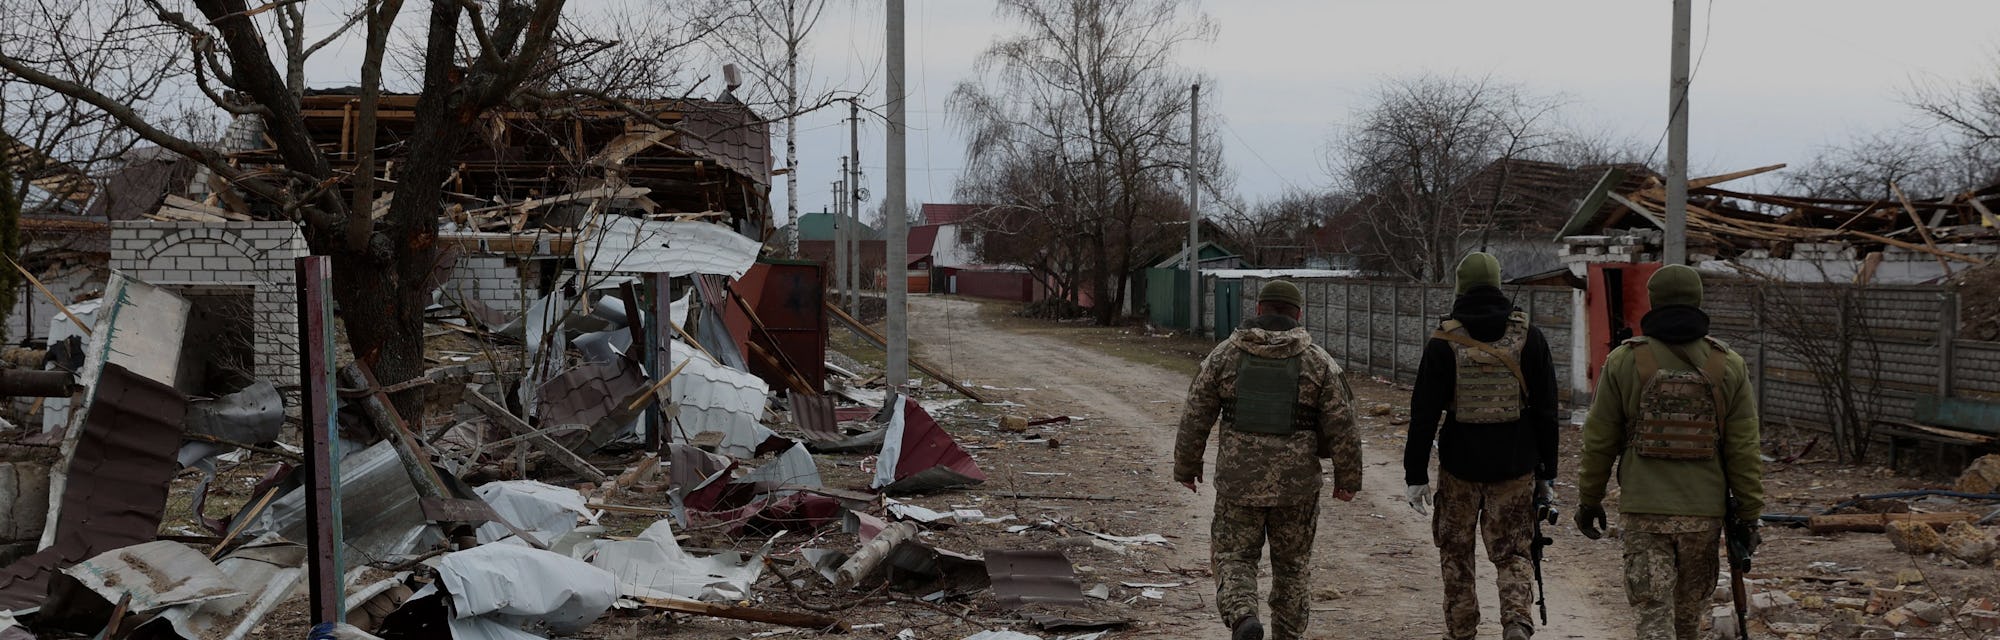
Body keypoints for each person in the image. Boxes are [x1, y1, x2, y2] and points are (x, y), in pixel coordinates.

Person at [1574, 265, 1764, 640]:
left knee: (1652, 617)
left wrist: (1589, 499)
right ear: (1698, 300)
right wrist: (1750, 513)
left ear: (1653, 300)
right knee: (1688, 619)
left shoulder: (1624, 361)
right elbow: (1743, 448)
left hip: (1644, 512)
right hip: (1703, 514)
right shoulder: (1729, 364)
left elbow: (1599, 441)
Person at [1174, 280, 1362, 640]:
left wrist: (1186, 466)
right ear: (1298, 314)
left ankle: (1244, 615)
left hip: (1238, 484)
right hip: (1297, 488)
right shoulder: (1318, 362)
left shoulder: (1224, 356)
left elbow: (1195, 414)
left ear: (1258, 311)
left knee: (1233, 557)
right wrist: (1348, 478)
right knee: (1292, 568)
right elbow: (1343, 424)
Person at [1403, 253, 1560, 640]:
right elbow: (1546, 411)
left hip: (1459, 466)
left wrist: (1415, 474)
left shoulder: (1444, 341)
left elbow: (1423, 413)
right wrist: (1549, 472)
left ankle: (1461, 630)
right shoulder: (1529, 338)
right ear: (1498, 284)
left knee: (1456, 553)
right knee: (1514, 552)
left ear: (1460, 287)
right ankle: (1516, 622)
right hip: (1516, 465)